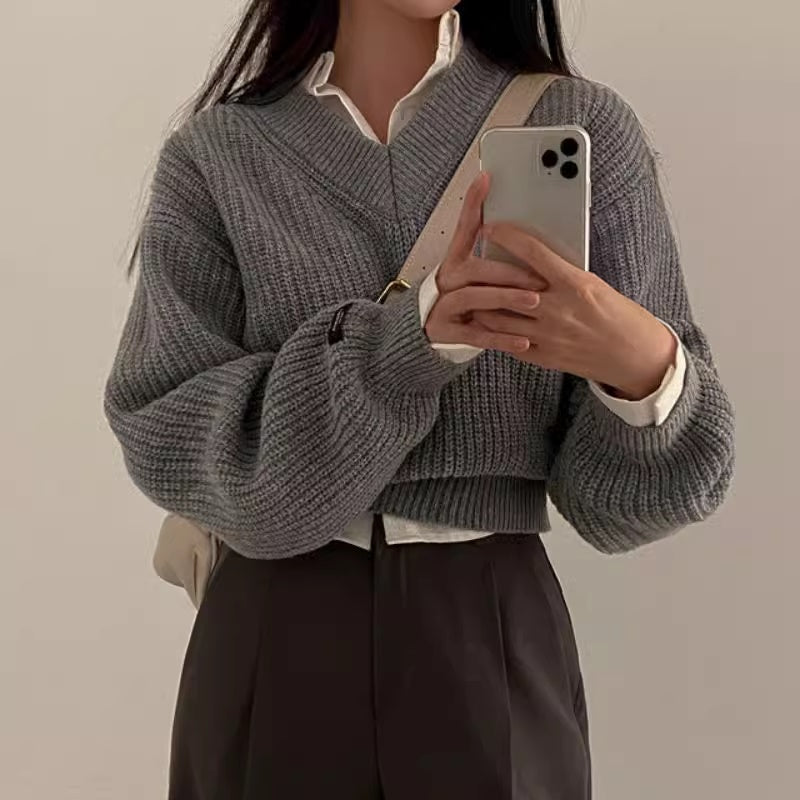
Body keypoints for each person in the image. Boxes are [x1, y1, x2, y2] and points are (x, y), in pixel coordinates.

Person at [104, 1, 736, 797]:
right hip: (276, 623)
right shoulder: (218, 155)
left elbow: (625, 506)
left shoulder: (580, 127)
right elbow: (164, 424)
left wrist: (641, 372)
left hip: (490, 629)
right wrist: (408, 344)